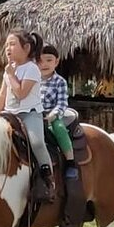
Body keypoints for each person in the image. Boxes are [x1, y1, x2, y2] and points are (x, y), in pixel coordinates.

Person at [0, 29, 55, 197]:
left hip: (29, 114)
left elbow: (21, 93)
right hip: (9, 114)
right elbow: (2, 95)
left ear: (26, 48)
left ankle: (48, 179)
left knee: (36, 143)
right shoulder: (9, 70)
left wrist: (11, 75)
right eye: (6, 45)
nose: (8, 48)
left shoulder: (32, 69)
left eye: (12, 44)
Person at [38, 44, 79, 179]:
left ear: (56, 61)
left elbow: (62, 103)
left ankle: (70, 161)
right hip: (35, 114)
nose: (44, 64)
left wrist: (52, 116)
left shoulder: (59, 81)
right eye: (40, 60)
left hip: (53, 114)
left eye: (49, 60)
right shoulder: (32, 80)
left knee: (59, 128)